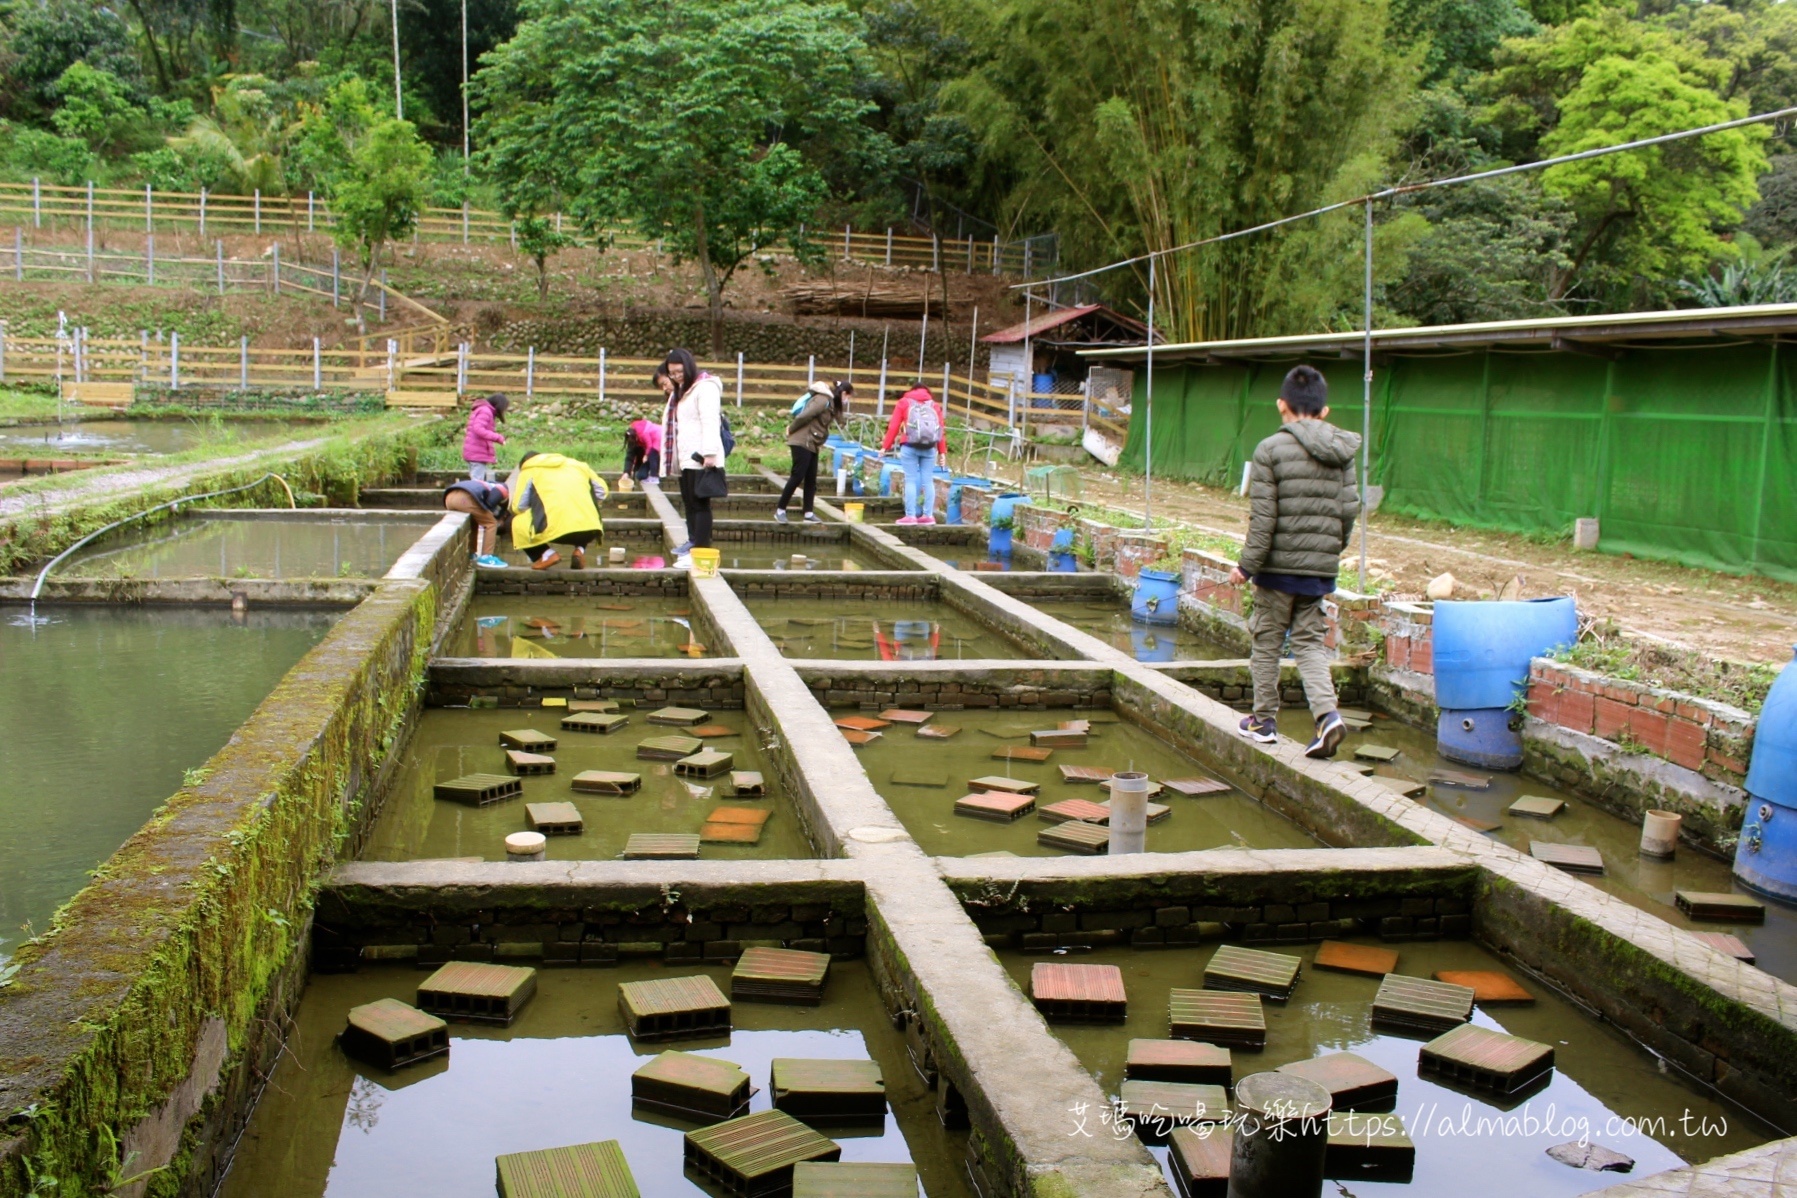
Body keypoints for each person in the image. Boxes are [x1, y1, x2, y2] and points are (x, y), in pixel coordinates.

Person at [1227, 364, 1361, 758]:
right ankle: (1327, 716)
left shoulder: (1270, 450)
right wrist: (1331, 550)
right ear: (1324, 411)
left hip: (1276, 571)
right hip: (1319, 569)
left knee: (1267, 641)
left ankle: (1263, 721)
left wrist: (1246, 566)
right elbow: (1349, 509)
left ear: (1281, 405)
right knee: (1309, 643)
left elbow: (1264, 520)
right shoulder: (1343, 451)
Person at [661, 347, 726, 568]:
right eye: (672, 373)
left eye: (679, 371)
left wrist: (709, 454)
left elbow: (710, 421)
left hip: (701, 456)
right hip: (686, 456)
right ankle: (692, 543)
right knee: (689, 503)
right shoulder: (683, 391)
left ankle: (701, 551)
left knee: (700, 504)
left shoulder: (705, 388)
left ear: (688, 367)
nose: (676, 376)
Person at [508, 450, 609, 570]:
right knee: (584, 512)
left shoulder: (529, 470)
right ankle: (579, 551)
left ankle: (547, 555)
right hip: (590, 530)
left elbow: (518, 506)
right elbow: (602, 492)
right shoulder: (579, 465)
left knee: (514, 521)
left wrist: (536, 506)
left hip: (554, 530)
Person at [776, 379, 844, 523]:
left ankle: (808, 513)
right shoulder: (822, 399)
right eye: (849, 396)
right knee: (797, 475)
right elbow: (805, 415)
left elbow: (838, 420)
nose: (848, 400)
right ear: (843, 393)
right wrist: (791, 428)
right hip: (802, 441)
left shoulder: (831, 403)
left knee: (811, 479)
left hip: (812, 443)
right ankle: (780, 510)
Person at [881, 383, 946, 525]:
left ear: (911, 390)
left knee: (910, 479)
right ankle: (928, 515)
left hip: (909, 445)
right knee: (928, 481)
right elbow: (940, 429)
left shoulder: (904, 402)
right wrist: (942, 452)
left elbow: (893, 426)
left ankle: (910, 516)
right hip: (929, 447)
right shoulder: (934, 405)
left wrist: (885, 447)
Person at [442, 477, 510, 566]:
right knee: (491, 523)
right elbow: (490, 502)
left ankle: (471, 553)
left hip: (449, 498)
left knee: (475, 521)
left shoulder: (484, 485)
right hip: (465, 499)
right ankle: (487, 556)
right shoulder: (503, 488)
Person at [463, 393, 508, 480]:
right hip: (477, 452)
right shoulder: (485, 411)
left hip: (474, 451)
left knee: (476, 481)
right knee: (477, 483)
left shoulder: (482, 409)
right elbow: (478, 429)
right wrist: (498, 437)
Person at [624, 407, 663, 486]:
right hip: (645, 459)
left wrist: (646, 455)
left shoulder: (644, 434)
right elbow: (629, 457)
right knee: (640, 475)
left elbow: (650, 446)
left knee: (653, 456)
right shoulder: (633, 440)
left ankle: (654, 476)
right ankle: (649, 474)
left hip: (655, 445)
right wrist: (626, 472)